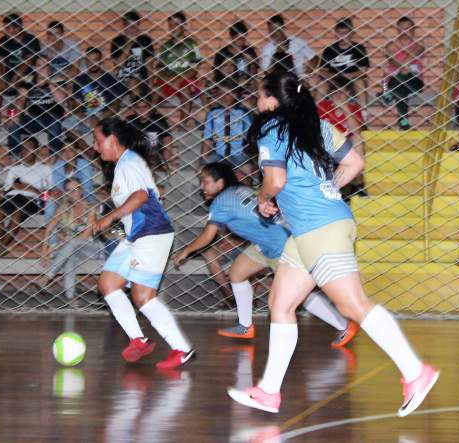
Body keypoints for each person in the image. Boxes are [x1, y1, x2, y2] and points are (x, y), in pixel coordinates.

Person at [227, 70, 437, 415]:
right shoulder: (317, 127)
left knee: (354, 305)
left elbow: (275, 179)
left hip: (319, 229)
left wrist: (266, 198)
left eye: (259, 95)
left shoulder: (269, 128)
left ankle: (416, 372)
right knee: (280, 303)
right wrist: (327, 192)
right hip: (314, 228)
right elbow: (355, 162)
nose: (256, 101)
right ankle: (267, 391)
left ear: (272, 101)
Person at [173, 162, 359, 346]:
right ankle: (245, 326)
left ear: (220, 183)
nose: (201, 187)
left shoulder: (220, 203)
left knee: (299, 295)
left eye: (205, 182)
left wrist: (185, 251)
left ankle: (343, 326)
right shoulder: (240, 190)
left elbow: (207, 236)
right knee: (237, 273)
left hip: (281, 247)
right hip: (269, 242)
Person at [85, 117, 195, 370]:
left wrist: (109, 217)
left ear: (112, 140)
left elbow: (140, 196)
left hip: (152, 233)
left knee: (143, 296)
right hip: (138, 235)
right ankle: (138, 339)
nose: (95, 146)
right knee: (108, 283)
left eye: (98, 141)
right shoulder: (126, 162)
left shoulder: (128, 164)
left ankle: (182, 349)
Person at [41, 178, 99, 300]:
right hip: (71, 249)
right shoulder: (63, 208)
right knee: (69, 258)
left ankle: (48, 276)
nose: (72, 193)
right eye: (69, 190)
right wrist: (44, 253)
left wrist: (60, 244)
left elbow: (85, 236)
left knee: (71, 244)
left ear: (81, 191)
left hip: (91, 248)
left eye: (75, 189)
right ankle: (70, 297)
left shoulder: (91, 208)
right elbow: (48, 230)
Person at [0, 142, 52, 256]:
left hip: (31, 200)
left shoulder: (45, 169)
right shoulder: (14, 169)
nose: (24, 151)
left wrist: (33, 190)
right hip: (12, 197)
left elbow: (51, 195)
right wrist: (17, 186)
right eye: (22, 149)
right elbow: (7, 189)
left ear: (35, 151)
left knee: (17, 214)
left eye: (28, 148)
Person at [7, 58, 66, 155]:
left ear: (50, 69)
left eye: (45, 65)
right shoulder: (27, 81)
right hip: (33, 119)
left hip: (52, 118)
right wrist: (14, 116)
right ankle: (14, 156)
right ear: (34, 68)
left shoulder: (57, 80)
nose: (42, 68)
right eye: (39, 65)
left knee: (54, 120)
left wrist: (49, 82)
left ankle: (54, 156)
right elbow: (20, 102)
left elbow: (62, 100)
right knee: (13, 123)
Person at [153, 12, 202, 129]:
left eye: (176, 24)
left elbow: (195, 69)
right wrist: (168, 79)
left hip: (185, 79)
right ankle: (151, 121)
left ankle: (182, 125)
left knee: (186, 91)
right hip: (168, 79)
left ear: (184, 26)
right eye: (171, 25)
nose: (173, 27)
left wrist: (178, 80)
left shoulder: (192, 44)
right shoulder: (165, 46)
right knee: (154, 90)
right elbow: (159, 68)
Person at [201, 81, 253, 179]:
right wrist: (203, 159)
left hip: (239, 155)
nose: (224, 97)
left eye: (228, 94)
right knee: (205, 172)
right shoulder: (213, 113)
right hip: (218, 154)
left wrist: (252, 157)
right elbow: (207, 138)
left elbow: (250, 136)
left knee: (244, 174)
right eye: (221, 94)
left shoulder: (243, 113)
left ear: (234, 95)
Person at [0, 14, 41, 119]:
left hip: (27, 75)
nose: (5, 31)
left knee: (21, 89)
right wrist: (0, 76)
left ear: (17, 28)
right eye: (5, 28)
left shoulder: (30, 39)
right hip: (8, 75)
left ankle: (17, 119)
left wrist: (15, 79)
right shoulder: (4, 40)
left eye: (8, 28)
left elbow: (27, 62)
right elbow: (0, 60)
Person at [382, 16, 424, 130]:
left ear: (413, 29)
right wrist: (404, 67)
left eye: (408, 29)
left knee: (404, 79)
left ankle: (388, 94)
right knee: (401, 90)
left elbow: (416, 52)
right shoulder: (391, 45)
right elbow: (391, 58)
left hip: (415, 81)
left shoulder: (419, 43)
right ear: (398, 30)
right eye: (402, 29)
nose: (405, 32)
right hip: (396, 82)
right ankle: (404, 122)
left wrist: (405, 65)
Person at [320, 18, 370, 108]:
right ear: (335, 33)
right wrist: (335, 76)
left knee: (360, 83)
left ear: (351, 33)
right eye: (340, 33)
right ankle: (316, 115)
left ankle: (364, 115)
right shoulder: (329, 50)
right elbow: (322, 71)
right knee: (322, 85)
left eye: (345, 33)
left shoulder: (359, 48)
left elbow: (363, 71)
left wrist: (349, 75)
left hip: (352, 79)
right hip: (334, 79)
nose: (342, 36)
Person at [74, 47, 127, 126]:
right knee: (67, 125)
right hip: (86, 116)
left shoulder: (111, 80)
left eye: (96, 60)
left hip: (104, 115)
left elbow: (115, 106)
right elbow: (76, 105)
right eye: (89, 60)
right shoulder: (80, 80)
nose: (92, 63)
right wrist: (83, 117)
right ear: (85, 61)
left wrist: (100, 118)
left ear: (101, 61)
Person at [110, 11, 155, 96]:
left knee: (136, 81)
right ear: (124, 26)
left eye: (135, 26)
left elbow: (150, 65)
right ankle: (136, 105)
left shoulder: (144, 40)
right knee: (132, 80)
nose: (133, 29)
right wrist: (129, 43)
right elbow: (117, 65)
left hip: (142, 77)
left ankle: (138, 104)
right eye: (130, 26)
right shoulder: (117, 41)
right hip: (123, 76)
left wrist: (151, 84)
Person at [125, 94, 174, 173]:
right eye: (138, 107)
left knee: (151, 136)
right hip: (134, 154)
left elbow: (167, 139)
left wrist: (166, 161)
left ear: (151, 107)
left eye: (145, 107)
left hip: (154, 154)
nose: (141, 110)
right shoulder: (130, 121)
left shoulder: (158, 119)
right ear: (134, 109)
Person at [213, 21, 258, 91]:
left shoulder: (249, 51)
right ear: (232, 37)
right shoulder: (222, 53)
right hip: (226, 88)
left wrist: (251, 63)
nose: (241, 41)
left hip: (245, 87)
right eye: (238, 38)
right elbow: (217, 76)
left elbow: (254, 75)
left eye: (243, 38)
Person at [41, 21, 83, 88]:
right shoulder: (44, 48)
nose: (54, 37)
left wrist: (60, 78)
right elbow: (44, 71)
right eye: (51, 34)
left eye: (57, 33)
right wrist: (48, 51)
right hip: (52, 82)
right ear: (47, 35)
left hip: (71, 79)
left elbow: (75, 69)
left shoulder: (71, 45)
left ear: (62, 34)